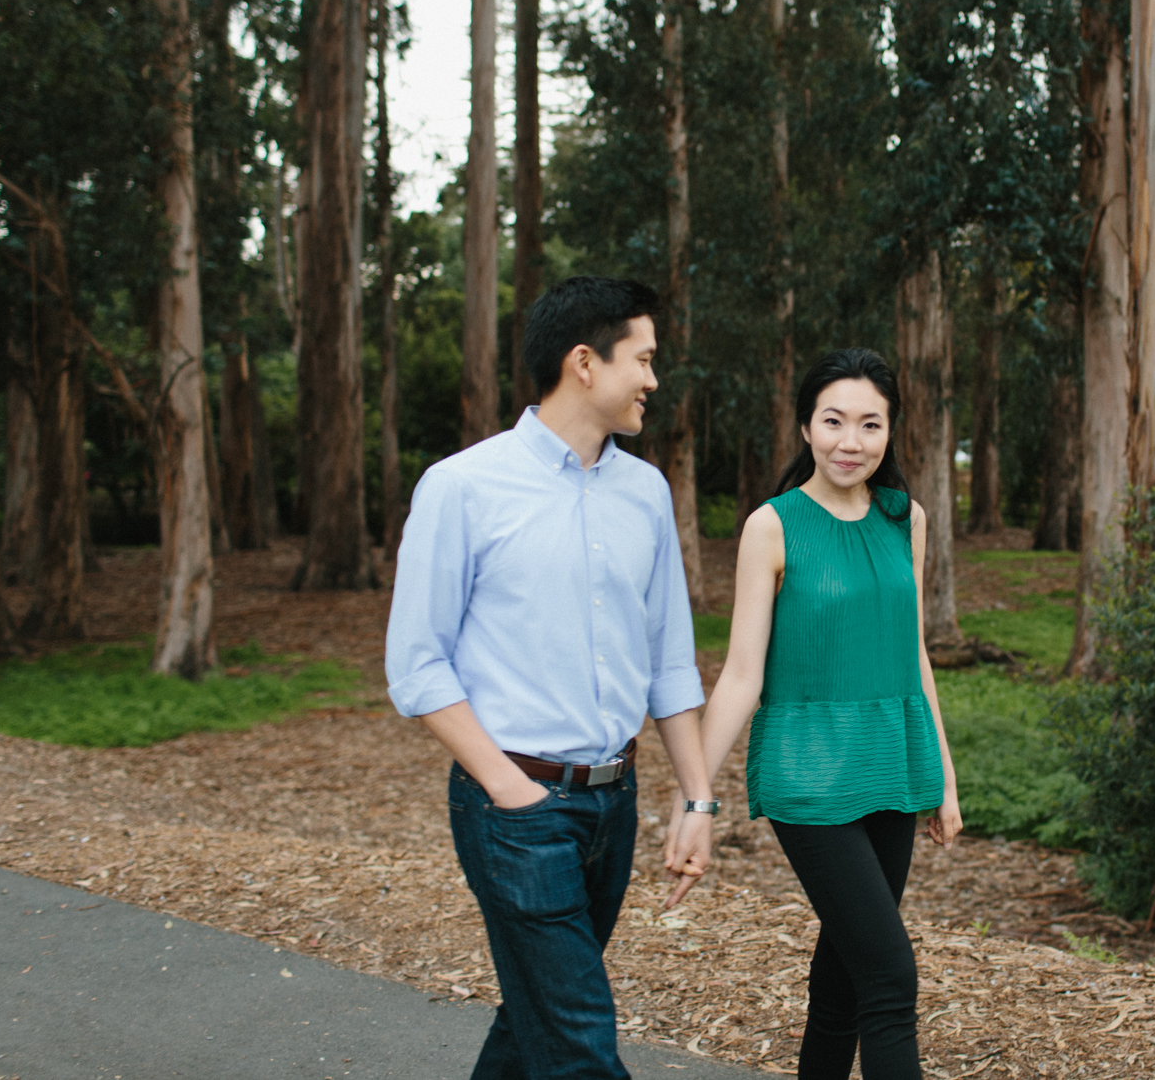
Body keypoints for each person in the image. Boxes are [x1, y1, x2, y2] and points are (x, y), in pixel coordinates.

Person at [384, 275, 719, 1080]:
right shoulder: (463, 486)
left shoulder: (645, 492)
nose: (652, 379)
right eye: (642, 359)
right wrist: (508, 788)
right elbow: (416, 664)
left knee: (535, 1016)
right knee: (578, 1046)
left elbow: (669, 660)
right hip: (518, 810)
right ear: (584, 362)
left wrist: (698, 797)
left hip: (613, 802)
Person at [682, 347, 962, 1080]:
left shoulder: (907, 519)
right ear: (806, 426)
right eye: (834, 420)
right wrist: (696, 795)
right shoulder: (772, 527)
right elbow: (742, 672)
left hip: (893, 766)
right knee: (891, 975)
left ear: (891, 431)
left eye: (870, 424)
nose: (851, 440)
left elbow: (915, 656)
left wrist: (944, 777)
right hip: (808, 776)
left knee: (844, 976)